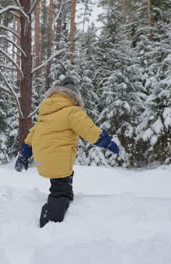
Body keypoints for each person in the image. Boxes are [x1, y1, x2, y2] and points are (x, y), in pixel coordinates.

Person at [15, 77, 120, 228]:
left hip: (44, 157)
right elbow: (89, 131)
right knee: (59, 189)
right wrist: (107, 142)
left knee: (62, 177)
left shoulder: (46, 113)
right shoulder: (72, 111)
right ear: (74, 97)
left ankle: (67, 195)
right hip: (57, 158)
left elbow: (32, 134)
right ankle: (49, 220)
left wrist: (24, 154)